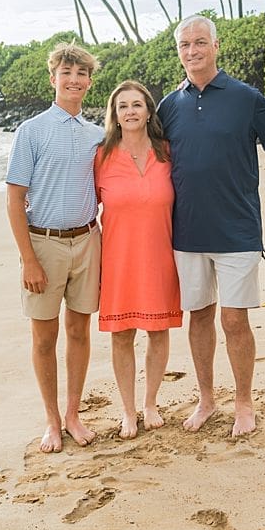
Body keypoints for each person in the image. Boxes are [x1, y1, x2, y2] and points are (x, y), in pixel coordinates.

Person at [157, 15, 265, 437]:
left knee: (234, 320)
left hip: (238, 230)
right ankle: (206, 399)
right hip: (187, 232)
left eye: (200, 42)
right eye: (184, 44)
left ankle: (244, 403)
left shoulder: (247, 98)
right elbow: (144, 159)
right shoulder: (169, 106)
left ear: (216, 45)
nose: (192, 51)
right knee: (200, 316)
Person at [4, 42, 104, 454]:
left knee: (79, 331)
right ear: (53, 79)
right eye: (66, 73)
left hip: (88, 241)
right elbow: (14, 199)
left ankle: (73, 415)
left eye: (81, 74)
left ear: (89, 82)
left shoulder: (98, 135)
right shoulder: (31, 131)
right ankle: (51, 421)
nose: (74, 80)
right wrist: (28, 259)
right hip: (43, 244)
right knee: (44, 337)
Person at [94, 80, 182, 440]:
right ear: (114, 116)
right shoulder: (101, 156)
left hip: (161, 256)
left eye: (137, 105)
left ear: (148, 112)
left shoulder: (168, 152)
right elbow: (82, 204)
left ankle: (150, 403)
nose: (130, 111)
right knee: (121, 335)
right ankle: (128, 411)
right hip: (118, 261)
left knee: (158, 331)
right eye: (123, 106)